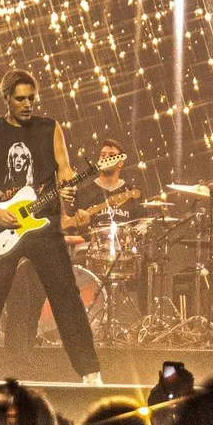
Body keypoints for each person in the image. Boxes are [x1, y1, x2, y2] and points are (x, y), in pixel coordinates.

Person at [0, 69, 102, 383]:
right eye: (20, 99)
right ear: (6, 98)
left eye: (31, 98)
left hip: (44, 225)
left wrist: (67, 188)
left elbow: (64, 168)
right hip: (4, 226)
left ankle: (90, 372)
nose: (27, 104)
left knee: (66, 296)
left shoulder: (50, 128)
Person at [8, 140, 141, 361]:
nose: (106, 156)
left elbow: (138, 226)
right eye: (103, 153)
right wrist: (76, 224)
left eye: (111, 154)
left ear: (121, 161)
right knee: (30, 285)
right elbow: (63, 222)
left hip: (115, 247)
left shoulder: (127, 192)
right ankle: (27, 346)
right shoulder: (83, 190)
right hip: (76, 246)